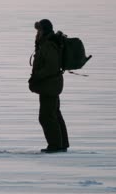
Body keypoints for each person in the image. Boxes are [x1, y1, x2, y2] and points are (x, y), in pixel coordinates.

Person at [29, 19, 69, 153]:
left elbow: (50, 67)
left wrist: (36, 77)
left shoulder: (48, 45)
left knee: (46, 116)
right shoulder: (47, 43)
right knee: (54, 114)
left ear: (43, 30)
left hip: (50, 86)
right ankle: (62, 145)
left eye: (39, 30)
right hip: (51, 85)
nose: (37, 33)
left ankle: (55, 146)